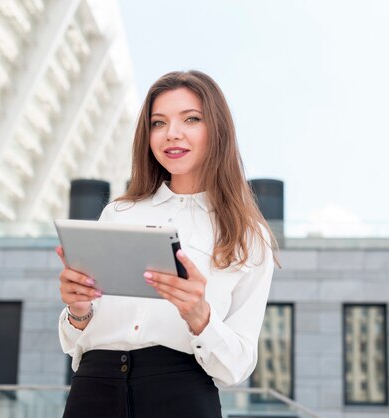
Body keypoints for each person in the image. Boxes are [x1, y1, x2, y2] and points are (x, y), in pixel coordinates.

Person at [56, 70, 277, 418]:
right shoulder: (118, 213)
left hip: (181, 393)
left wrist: (201, 317)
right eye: (158, 123)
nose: (172, 133)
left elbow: (237, 365)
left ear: (217, 129)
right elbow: (76, 342)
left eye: (191, 119)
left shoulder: (249, 236)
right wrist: (78, 310)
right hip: (94, 389)